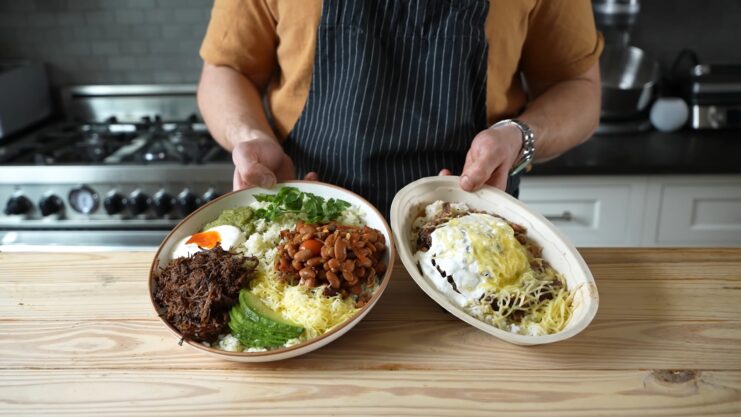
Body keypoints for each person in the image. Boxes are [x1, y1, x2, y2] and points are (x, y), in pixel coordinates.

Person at [197, 0, 602, 214]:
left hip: (473, 225)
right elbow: (227, 68)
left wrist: (520, 137)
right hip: (310, 219)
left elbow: (577, 88)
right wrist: (249, 135)